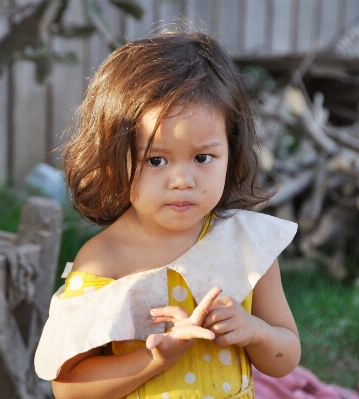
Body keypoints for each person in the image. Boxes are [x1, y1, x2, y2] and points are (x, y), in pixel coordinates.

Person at [35, 30, 301, 399]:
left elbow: (284, 358)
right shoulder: (104, 262)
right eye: (156, 160)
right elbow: (69, 389)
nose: (182, 180)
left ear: (232, 150)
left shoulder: (244, 245)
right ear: (115, 162)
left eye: (202, 158)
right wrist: (156, 358)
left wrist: (254, 330)